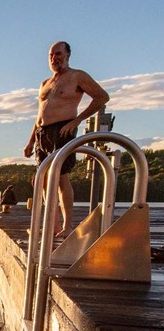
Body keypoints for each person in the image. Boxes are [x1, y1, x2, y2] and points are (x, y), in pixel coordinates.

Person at [24, 41, 109, 238]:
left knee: (61, 178)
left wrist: (77, 121)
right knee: (43, 180)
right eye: (51, 55)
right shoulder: (45, 84)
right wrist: (30, 141)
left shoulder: (77, 76)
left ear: (68, 55)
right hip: (42, 134)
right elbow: (39, 115)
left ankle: (67, 226)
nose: (55, 58)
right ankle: (51, 225)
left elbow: (101, 97)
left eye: (59, 54)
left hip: (62, 130)